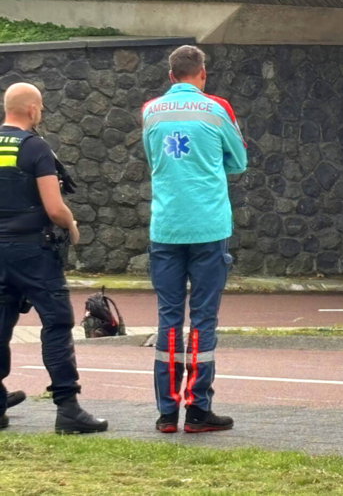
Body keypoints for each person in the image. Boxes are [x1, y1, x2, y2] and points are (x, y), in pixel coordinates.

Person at [142, 46, 247, 434]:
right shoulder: (218, 110)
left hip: (166, 226)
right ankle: (198, 411)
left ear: (171, 76)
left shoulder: (150, 112)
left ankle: (166, 413)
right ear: (202, 74)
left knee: (169, 318)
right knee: (203, 319)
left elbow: (153, 158)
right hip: (208, 227)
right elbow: (239, 162)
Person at [0, 83, 107, 434]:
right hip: (33, 251)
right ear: (31, 110)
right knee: (57, 324)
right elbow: (54, 206)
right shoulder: (36, 148)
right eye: (40, 108)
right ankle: (68, 408)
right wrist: (71, 225)